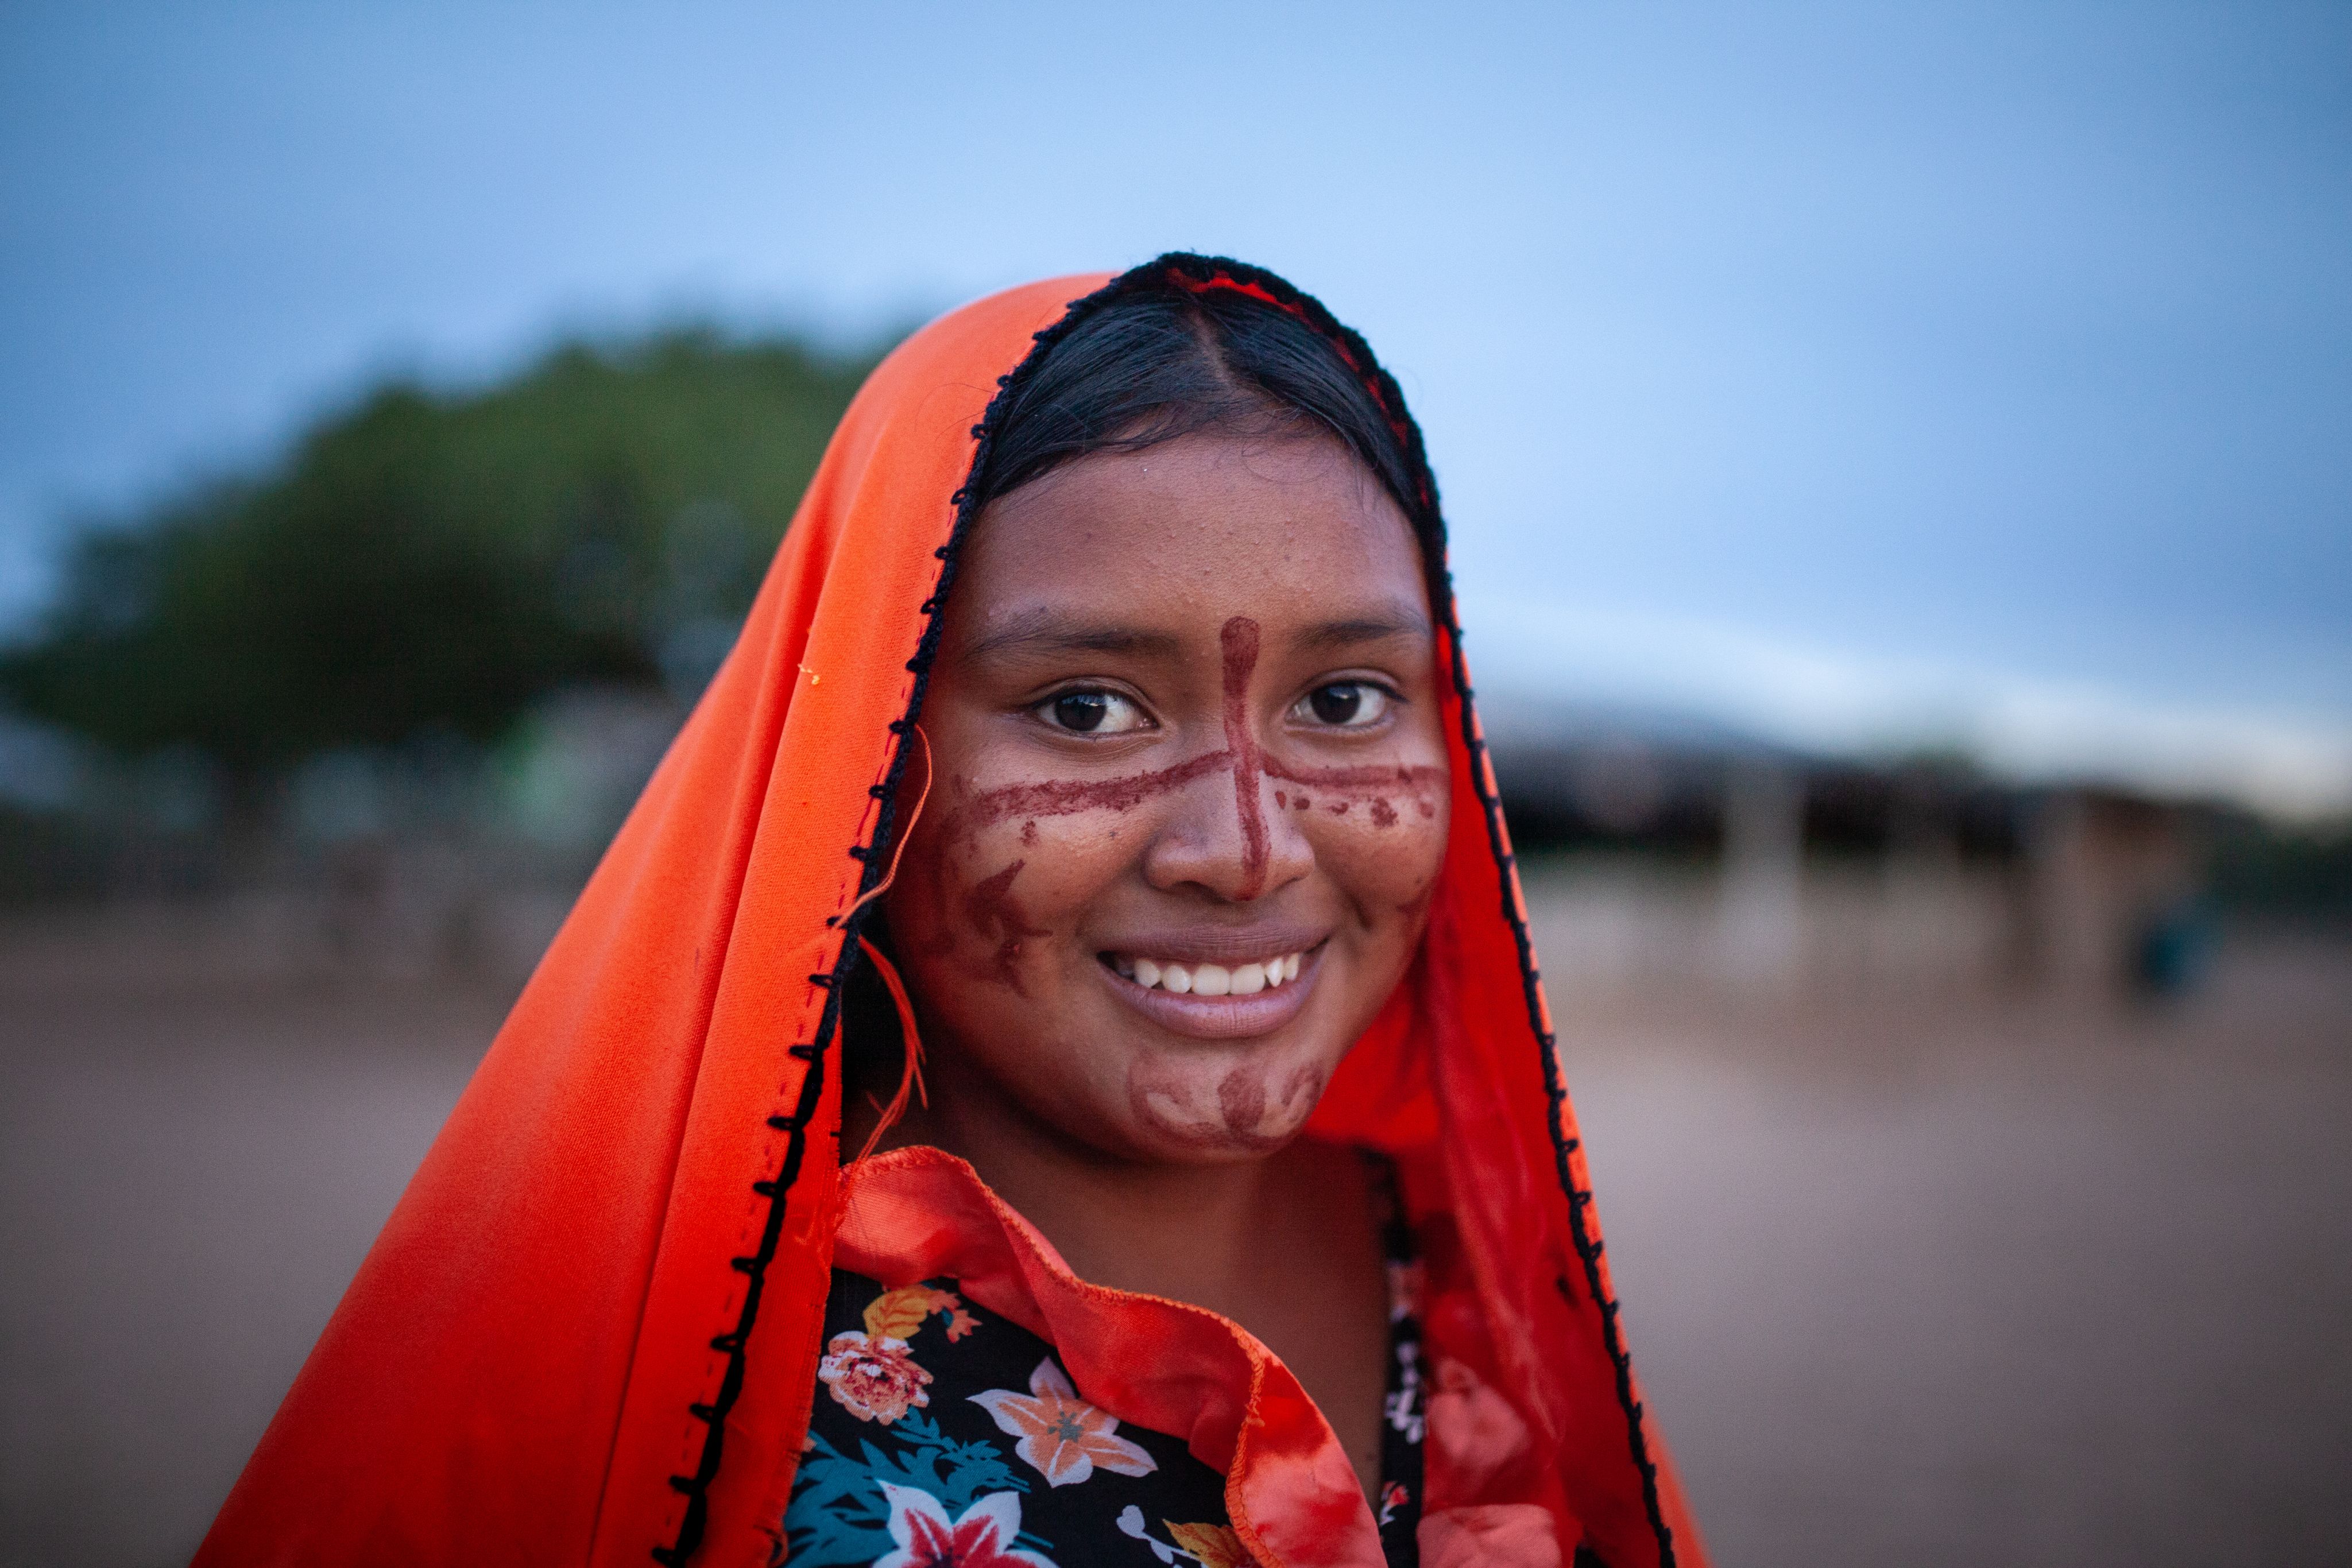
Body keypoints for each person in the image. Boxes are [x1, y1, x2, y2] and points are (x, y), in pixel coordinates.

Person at [197, 256, 1707, 1568]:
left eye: (1346, 698)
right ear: (869, 763)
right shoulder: (677, 1391)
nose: (1247, 853)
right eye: (1087, 706)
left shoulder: (1487, 1283)